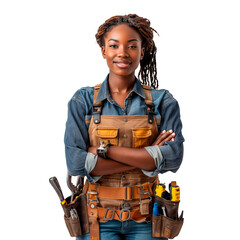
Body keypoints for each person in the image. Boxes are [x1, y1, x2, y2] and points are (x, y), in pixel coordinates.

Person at [64, 14, 184, 240]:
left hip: (148, 219)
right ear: (103, 51)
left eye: (131, 46)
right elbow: (76, 164)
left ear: (142, 51)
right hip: (96, 218)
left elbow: (174, 158)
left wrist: (103, 152)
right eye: (113, 45)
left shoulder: (162, 102)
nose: (122, 53)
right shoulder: (83, 101)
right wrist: (148, 158)